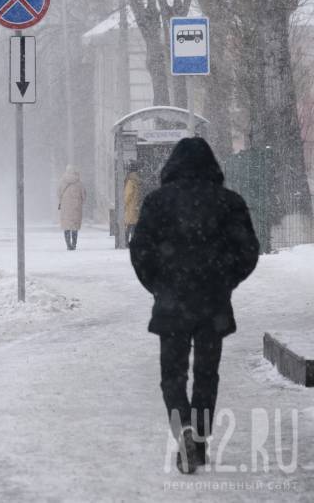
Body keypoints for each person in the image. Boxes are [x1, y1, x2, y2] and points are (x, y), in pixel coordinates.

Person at [129, 138, 259, 474]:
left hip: (172, 301)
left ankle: (183, 426)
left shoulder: (157, 202)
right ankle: (199, 441)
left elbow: (140, 250)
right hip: (212, 305)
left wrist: (159, 285)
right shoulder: (229, 202)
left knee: (172, 375)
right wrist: (224, 280)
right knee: (206, 375)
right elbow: (247, 252)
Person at [57, 165, 86, 250]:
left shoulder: (62, 182)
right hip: (76, 208)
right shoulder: (79, 183)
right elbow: (84, 195)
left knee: (66, 226)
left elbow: (58, 193)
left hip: (65, 208)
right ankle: (74, 244)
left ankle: (68, 244)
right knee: (74, 226)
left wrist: (64, 200)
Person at [123, 163, 142, 245]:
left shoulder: (130, 181)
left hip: (130, 206)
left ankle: (126, 242)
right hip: (136, 206)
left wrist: (124, 203)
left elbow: (128, 194)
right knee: (134, 225)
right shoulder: (138, 180)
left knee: (128, 225)